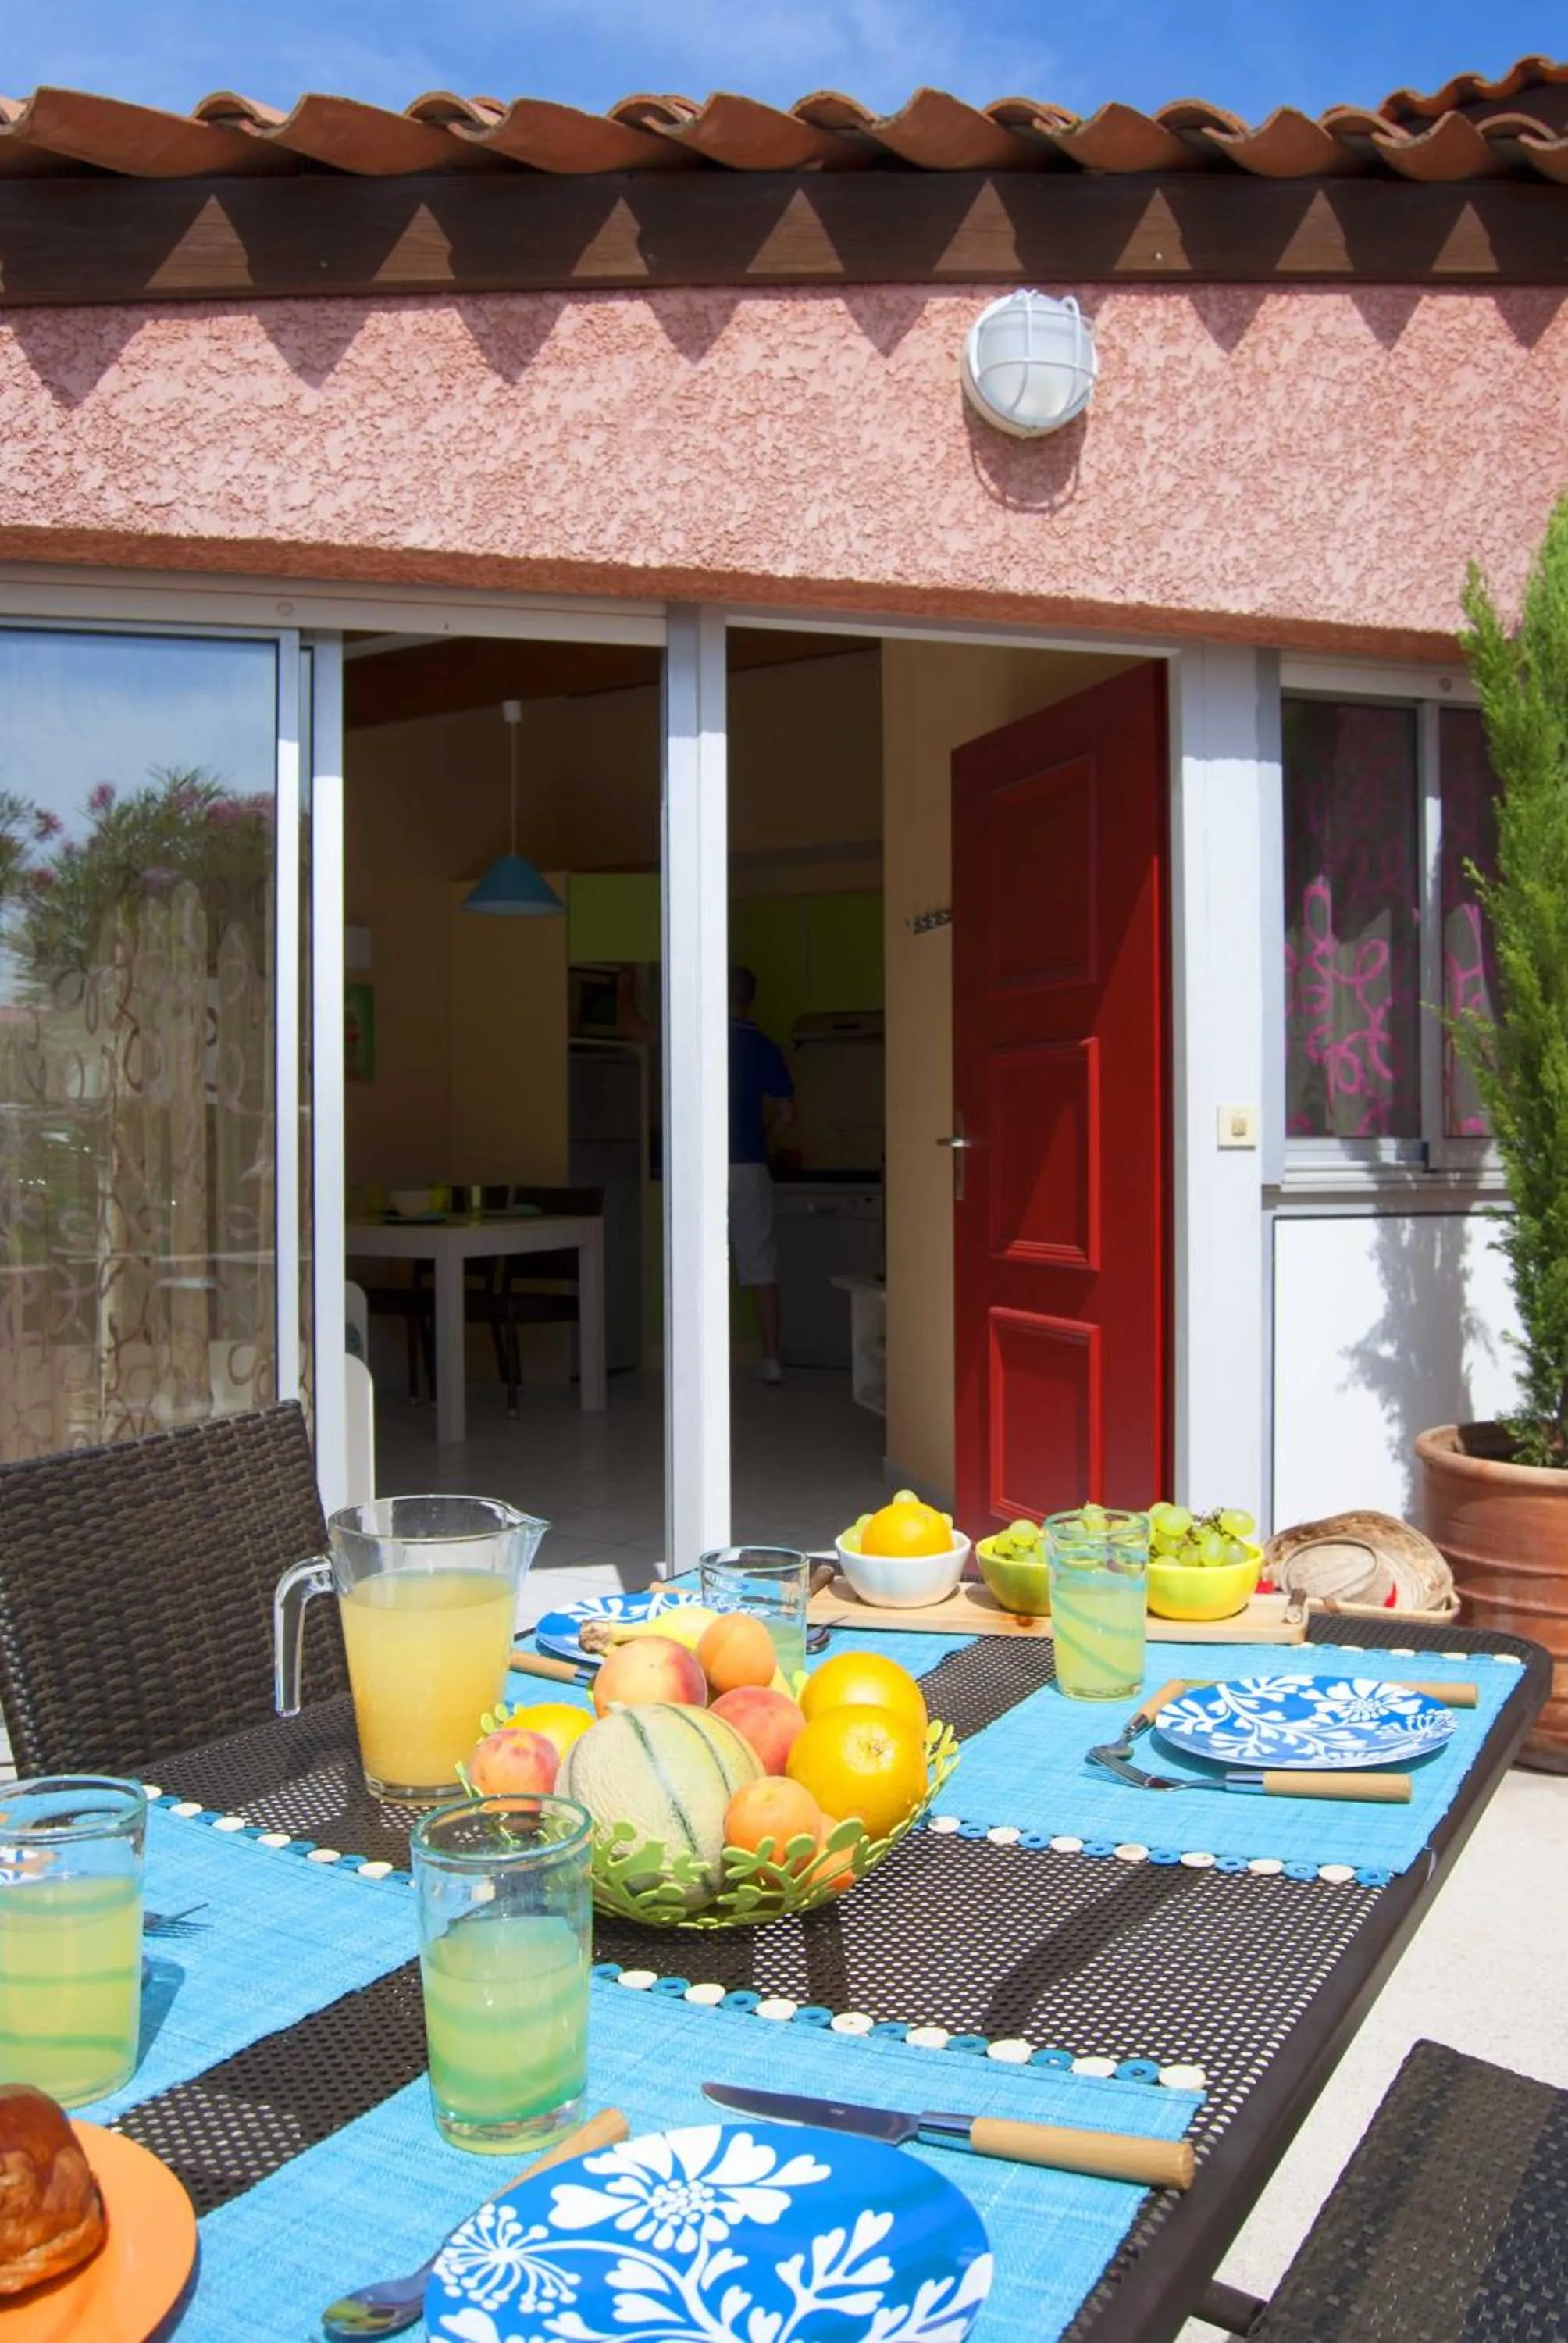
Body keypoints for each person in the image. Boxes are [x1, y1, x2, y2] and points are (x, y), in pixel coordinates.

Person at [729, 965, 794, 1382]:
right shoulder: (765, 1048)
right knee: (760, 1264)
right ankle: (771, 1359)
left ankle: (698, 1358)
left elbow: (635, 1028)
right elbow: (788, 1114)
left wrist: (625, 983)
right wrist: (762, 1138)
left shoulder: (702, 1038)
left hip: (702, 1167)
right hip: (750, 1166)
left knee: (698, 1261)